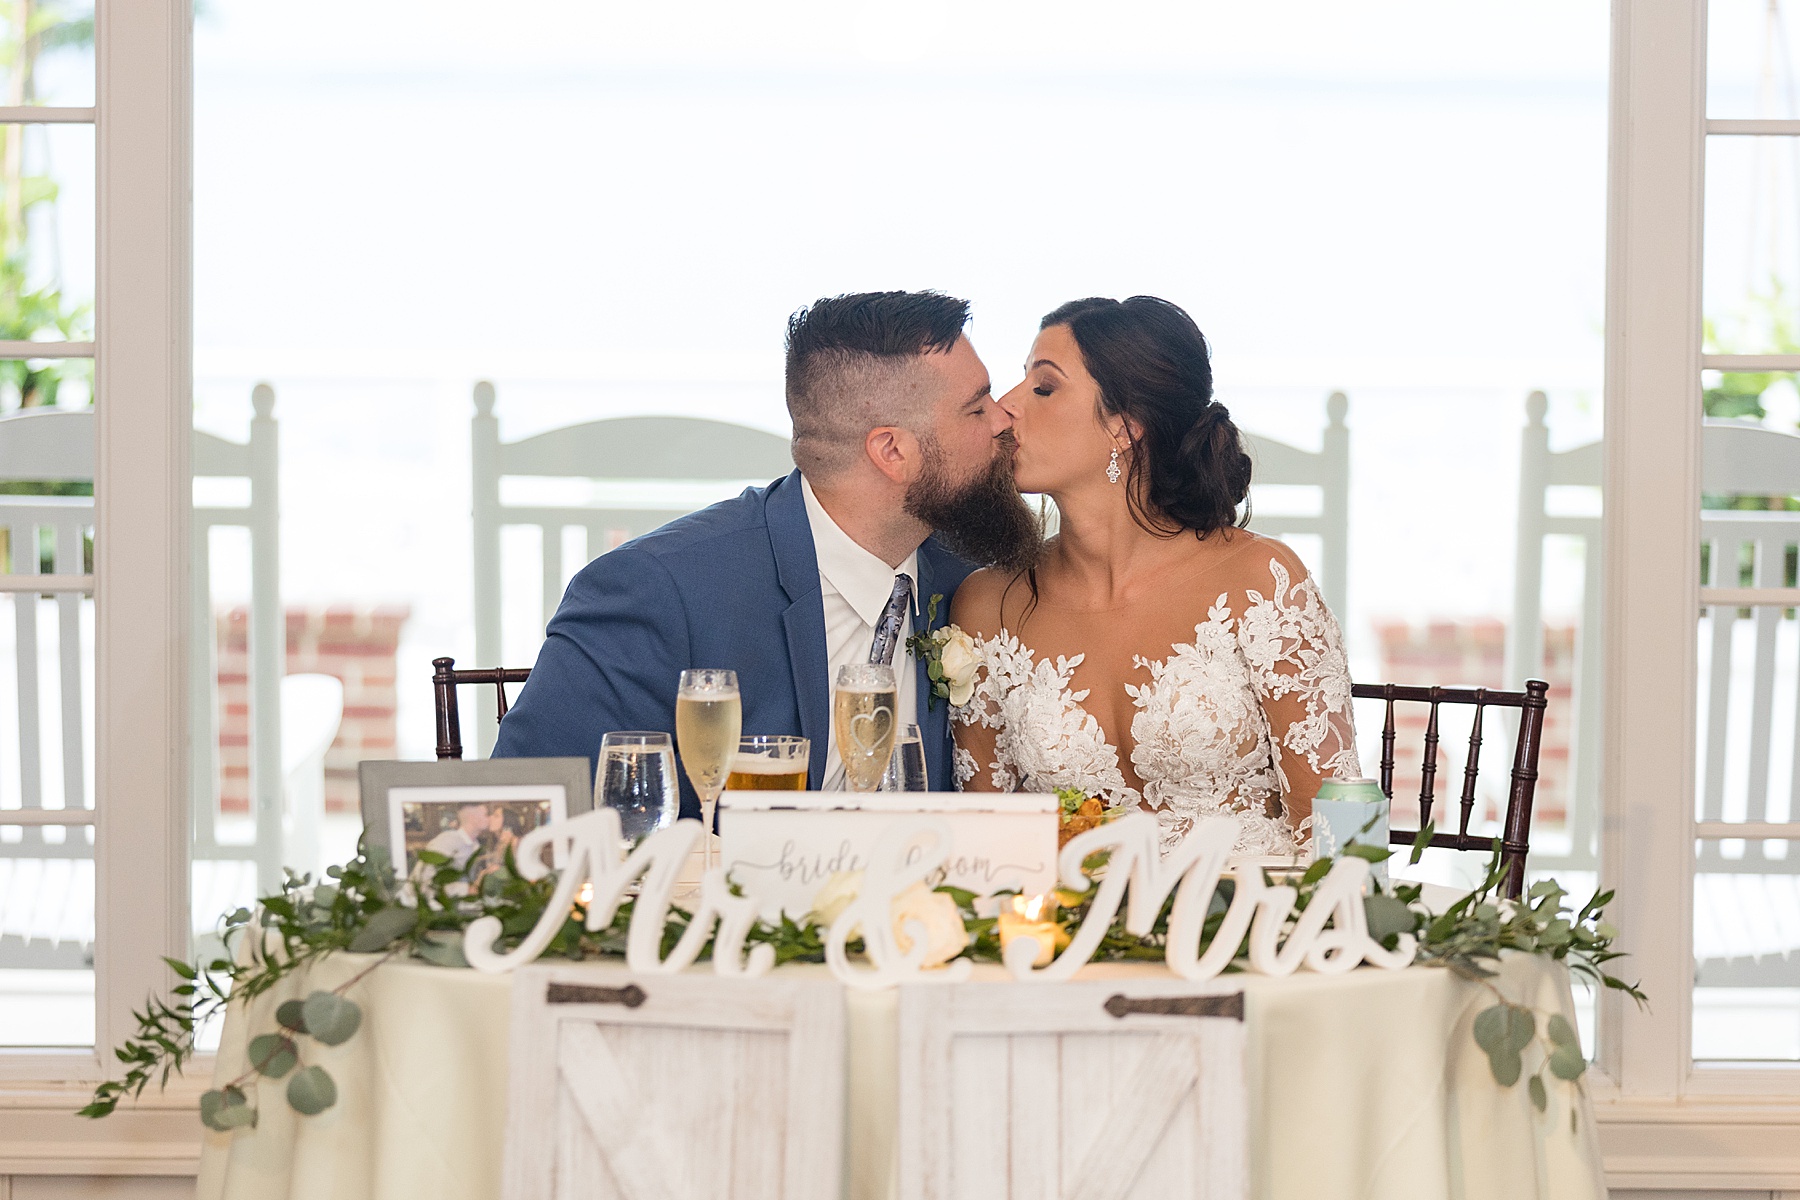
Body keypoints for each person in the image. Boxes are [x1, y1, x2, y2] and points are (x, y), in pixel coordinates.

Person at [493, 291, 1039, 816]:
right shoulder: (659, 590)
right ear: (891, 449)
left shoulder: (974, 583)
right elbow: (535, 811)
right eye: (976, 408)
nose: (1004, 419)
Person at [951, 296, 1360, 855]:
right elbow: (988, 848)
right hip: (1076, 936)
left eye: (1044, 387)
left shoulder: (1261, 583)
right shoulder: (986, 604)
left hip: (1254, 930)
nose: (1005, 407)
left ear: (1124, 427)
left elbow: (1334, 834)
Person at [421, 801, 489, 872]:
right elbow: (425, 874)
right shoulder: (445, 842)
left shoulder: (475, 845)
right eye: (486, 815)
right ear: (473, 818)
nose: (488, 819)